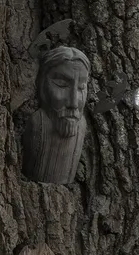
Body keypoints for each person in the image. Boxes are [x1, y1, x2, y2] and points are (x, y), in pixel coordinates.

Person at [21, 46, 90, 184]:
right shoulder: (37, 123)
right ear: (41, 84)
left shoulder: (81, 125)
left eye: (81, 87)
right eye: (61, 85)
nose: (73, 103)